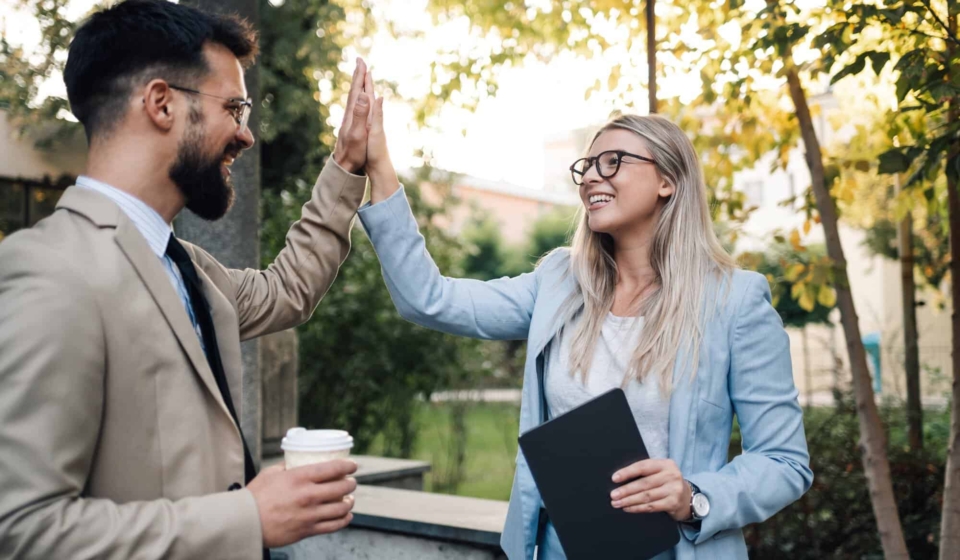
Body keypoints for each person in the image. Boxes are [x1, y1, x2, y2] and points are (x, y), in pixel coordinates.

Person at [357, 99, 813, 558]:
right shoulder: (558, 282)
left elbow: (784, 462)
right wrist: (379, 165)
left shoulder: (735, 301)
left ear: (668, 181)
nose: (593, 176)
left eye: (613, 162)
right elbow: (429, 299)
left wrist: (693, 496)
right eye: (588, 166)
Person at [0, 1, 376, 558]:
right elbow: (23, 529)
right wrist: (247, 516)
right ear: (161, 103)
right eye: (235, 107)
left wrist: (345, 164)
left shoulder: (190, 269)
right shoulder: (51, 271)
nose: (245, 135)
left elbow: (287, 289)